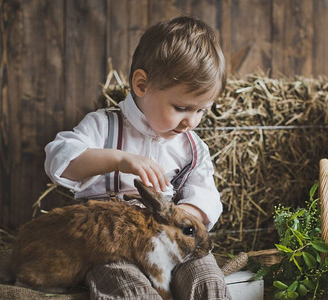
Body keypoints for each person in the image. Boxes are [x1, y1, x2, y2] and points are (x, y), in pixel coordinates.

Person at [44, 15, 231, 299]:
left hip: (171, 244)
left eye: (202, 110)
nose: (191, 121)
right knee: (127, 289)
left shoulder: (193, 149)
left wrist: (183, 220)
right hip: (112, 246)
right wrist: (119, 160)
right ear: (142, 85)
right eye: (181, 107)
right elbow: (60, 160)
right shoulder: (103, 126)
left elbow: (206, 198)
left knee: (206, 278)